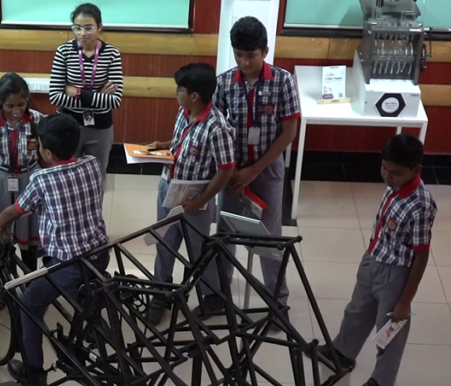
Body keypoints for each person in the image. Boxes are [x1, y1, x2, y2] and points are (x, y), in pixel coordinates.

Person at [0, 114, 109, 386]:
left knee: (29, 305)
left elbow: (14, 211)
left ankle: (33, 372)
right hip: (98, 253)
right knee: (80, 291)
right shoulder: (92, 164)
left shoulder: (42, 178)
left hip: (66, 264)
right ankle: (94, 327)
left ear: (46, 152)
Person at [315, 134, 436, 386]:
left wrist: (405, 301)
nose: (387, 176)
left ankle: (382, 382)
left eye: (395, 173)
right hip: (374, 258)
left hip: (396, 273)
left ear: (416, 170)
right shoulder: (393, 187)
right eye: (384, 169)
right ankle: (343, 352)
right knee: (357, 310)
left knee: (390, 329)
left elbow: (421, 255)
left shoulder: (420, 205)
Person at [213, 16, 300, 314]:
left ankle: (277, 302)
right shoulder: (224, 82)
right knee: (225, 230)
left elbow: (288, 132)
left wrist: (255, 169)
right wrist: (232, 171)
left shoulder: (283, 81)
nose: (245, 62)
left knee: (269, 237)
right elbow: (217, 129)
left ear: (265, 51)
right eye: (238, 55)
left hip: (267, 168)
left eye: (251, 55)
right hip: (232, 170)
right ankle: (220, 293)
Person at [144, 63, 236, 325]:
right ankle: (161, 292)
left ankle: (212, 296)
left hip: (195, 198)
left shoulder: (217, 127)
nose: (176, 93)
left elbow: (226, 169)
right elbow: (180, 142)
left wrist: (201, 201)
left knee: (198, 249)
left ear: (194, 96)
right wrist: (162, 146)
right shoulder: (184, 112)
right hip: (169, 188)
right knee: (164, 242)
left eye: (179, 90)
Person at [0, 72, 44, 271]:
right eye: (10, 106)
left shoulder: (37, 120)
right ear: (0, 102)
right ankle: (5, 278)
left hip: (30, 179)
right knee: (2, 235)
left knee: (29, 234)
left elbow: (44, 157)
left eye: (21, 104)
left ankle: (30, 277)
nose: (16, 110)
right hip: (1, 180)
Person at [48, 3, 123, 178]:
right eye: (77, 28)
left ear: (99, 27)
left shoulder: (112, 54)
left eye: (88, 28)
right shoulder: (63, 52)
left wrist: (78, 93)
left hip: (101, 126)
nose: (82, 33)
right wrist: (99, 96)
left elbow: (115, 101)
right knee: (67, 176)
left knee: (96, 176)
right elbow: (55, 96)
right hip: (69, 124)